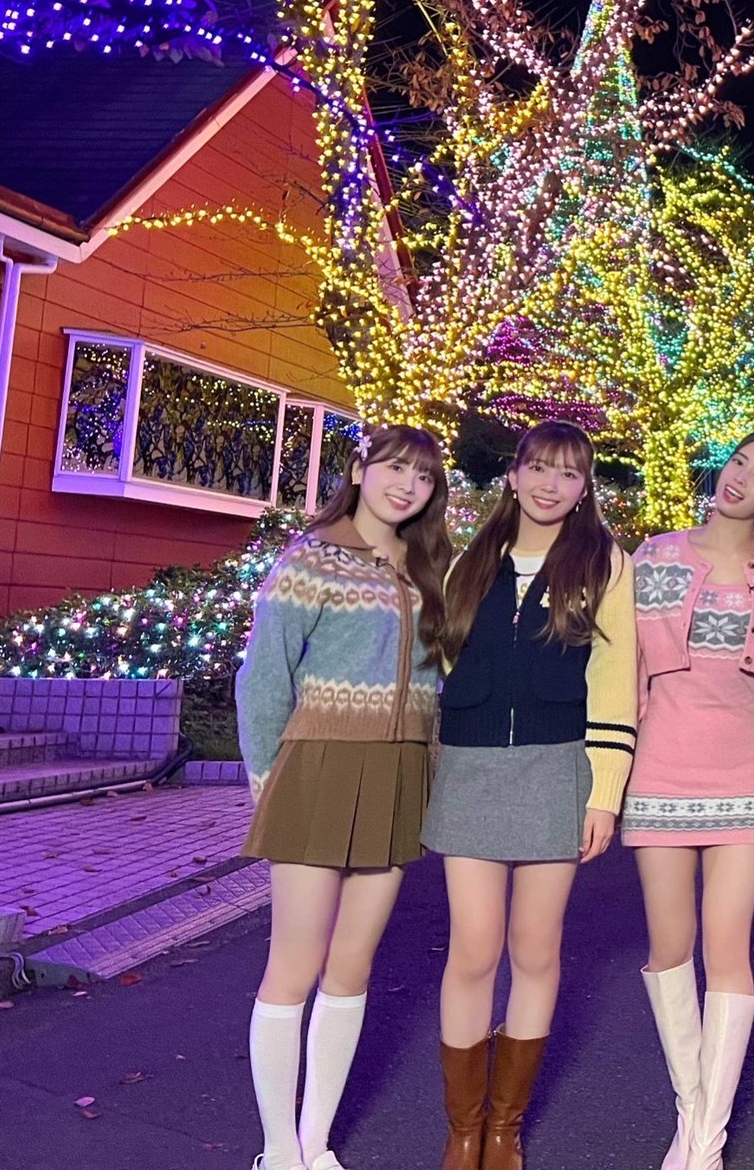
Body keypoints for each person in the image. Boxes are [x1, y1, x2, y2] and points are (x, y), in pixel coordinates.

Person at [422, 421, 638, 1170]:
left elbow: (614, 679)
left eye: (569, 473)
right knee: (473, 949)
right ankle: (463, 1129)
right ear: (513, 476)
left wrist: (604, 792)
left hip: (557, 768)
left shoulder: (604, 562)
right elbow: (440, 664)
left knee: (536, 949)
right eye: (540, 468)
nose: (552, 484)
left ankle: (506, 1129)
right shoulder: (467, 561)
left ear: (585, 487)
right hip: (472, 769)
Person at [235, 424, 451, 1170]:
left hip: (397, 775)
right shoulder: (311, 558)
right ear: (359, 470)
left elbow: (439, 686)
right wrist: (267, 783)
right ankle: (277, 1151)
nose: (406, 486)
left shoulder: (431, 569)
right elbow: (264, 677)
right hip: (317, 768)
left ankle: (316, 1141)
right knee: (293, 966)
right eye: (394, 468)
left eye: (423, 477)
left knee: (352, 967)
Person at [627, 431, 754, 1170]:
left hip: (747, 776)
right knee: (670, 949)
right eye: (738, 463)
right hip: (659, 769)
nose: (739, 479)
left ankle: (705, 1144)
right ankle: (690, 1112)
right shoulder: (654, 555)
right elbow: (625, 670)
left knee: (728, 948)